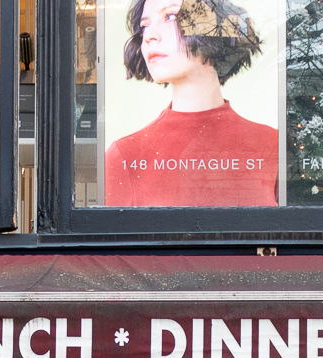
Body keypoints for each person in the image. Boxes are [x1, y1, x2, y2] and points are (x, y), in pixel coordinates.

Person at [104, 0, 278, 206]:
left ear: (216, 27)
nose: (150, 36)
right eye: (144, 26)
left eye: (170, 17)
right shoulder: (125, 156)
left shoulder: (273, 146)